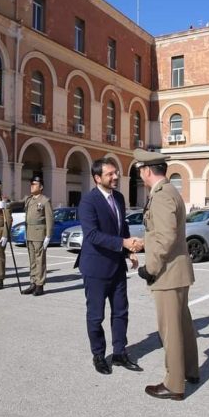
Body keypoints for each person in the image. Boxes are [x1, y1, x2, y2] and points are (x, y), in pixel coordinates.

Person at [133, 148, 199, 401]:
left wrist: (150, 268)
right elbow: (163, 232)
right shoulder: (170, 191)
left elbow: (166, 237)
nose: (140, 174)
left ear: (147, 170)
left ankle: (174, 385)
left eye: (141, 170)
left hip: (168, 273)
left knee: (170, 330)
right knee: (183, 325)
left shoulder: (161, 196)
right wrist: (145, 243)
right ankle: (190, 371)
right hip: (178, 271)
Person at [77, 157, 142, 375]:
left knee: (121, 312)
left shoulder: (119, 198)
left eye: (116, 173)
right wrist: (123, 243)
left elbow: (122, 227)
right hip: (96, 268)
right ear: (97, 178)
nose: (116, 176)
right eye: (110, 174)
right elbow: (92, 235)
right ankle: (98, 355)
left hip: (117, 266)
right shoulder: (88, 202)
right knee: (96, 316)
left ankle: (119, 353)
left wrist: (129, 251)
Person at [21, 176, 53, 296]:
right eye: (31, 184)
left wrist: (48, 235)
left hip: (39, 233)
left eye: (34, 184)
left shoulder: (45, 200)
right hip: (29, 232)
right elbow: (18, 203)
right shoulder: (29, 199)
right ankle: (33, 282)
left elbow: (50, 219)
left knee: (40, 260)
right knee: (32, 260)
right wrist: (7, 203)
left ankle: (40, 285)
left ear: (41, 187)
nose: (32, 186)